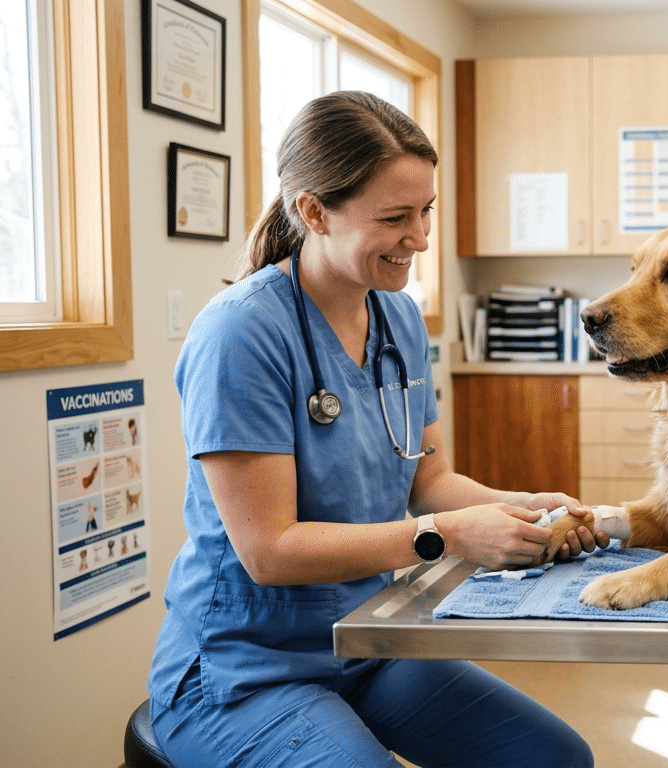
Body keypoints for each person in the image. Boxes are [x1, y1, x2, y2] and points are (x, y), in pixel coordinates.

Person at [147, 91, 602, 768]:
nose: (420, 238)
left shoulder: (398, 318)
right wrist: (451, 536)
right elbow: (269, 550)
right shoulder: (242, 333)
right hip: (245, 670)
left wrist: (518, 509)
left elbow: (431, 479)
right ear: (314, 211)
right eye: (395, 218)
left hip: (366, 640)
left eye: (426, 211)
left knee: (555, 759)